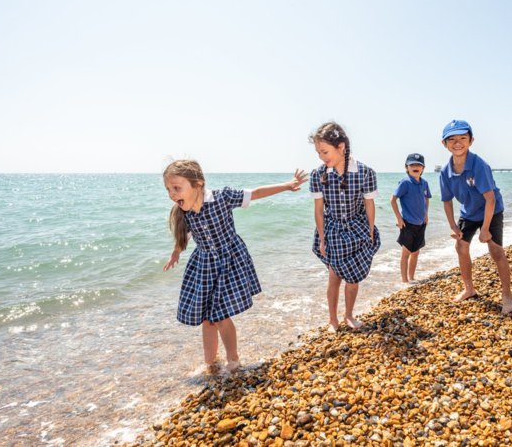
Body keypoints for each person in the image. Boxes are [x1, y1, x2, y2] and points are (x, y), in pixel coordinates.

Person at [162, 160, 307, 374]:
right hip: (203, 266)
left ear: (198, 184)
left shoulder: (223, 197)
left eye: (176, 188)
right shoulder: (185, 213)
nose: (172, 194)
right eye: (168, 189)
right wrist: (176, 252)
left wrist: (287, 185)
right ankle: (210, 363)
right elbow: (185, 236)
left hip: (228, 261)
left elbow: (255, 193)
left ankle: (233, 360)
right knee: (206, 318)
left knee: (219, 315)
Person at [310, 122, 380, 332]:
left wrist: (369, 232)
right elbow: (319, 210)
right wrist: (322, 239)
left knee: (354, 277)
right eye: (318, 153)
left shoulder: (365, 172)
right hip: (332, 230)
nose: (322, 157)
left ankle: (348, 314)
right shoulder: (318, 175)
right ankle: (333, 319)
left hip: (358, 229)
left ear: (341, 147)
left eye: (325, 151)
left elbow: (369, 204)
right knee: (334, 275)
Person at [438, 120, 512, 314]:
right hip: (469, 212)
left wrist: (486, 229)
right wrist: (453, 226)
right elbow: (447, 201)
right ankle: (469, 289)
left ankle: (507, 295)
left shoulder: (479, 165)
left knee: (496, 252)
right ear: (444, 143)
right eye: (452, 139)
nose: (458, 143)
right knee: (460, 246)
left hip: (492, 210)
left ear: (471, 141)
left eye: (463, 138)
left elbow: (490, 200)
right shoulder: (445, 172)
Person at [390, 153, 432, 283]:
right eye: (412, 164)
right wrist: (399, 219)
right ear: (406, 167)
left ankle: (412, 278)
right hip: (407, 223)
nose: (415, 167)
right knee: (406, 252)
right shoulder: (405, 183)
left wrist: (426, 214)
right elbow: (393, 200)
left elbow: (426, 199)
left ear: (423, 168)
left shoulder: (424, 183)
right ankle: (404, 281)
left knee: (416, 252)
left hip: (421, 223)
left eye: (418, 165)